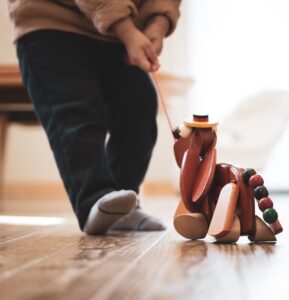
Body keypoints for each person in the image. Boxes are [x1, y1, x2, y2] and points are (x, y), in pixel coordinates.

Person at [8, 0, 181, 235]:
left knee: (138, 110)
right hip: (52, 23)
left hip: (121, 32)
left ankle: (121, 203)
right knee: (75, 117)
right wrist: (127, 30)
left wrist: (158, 22)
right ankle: (93, 199)